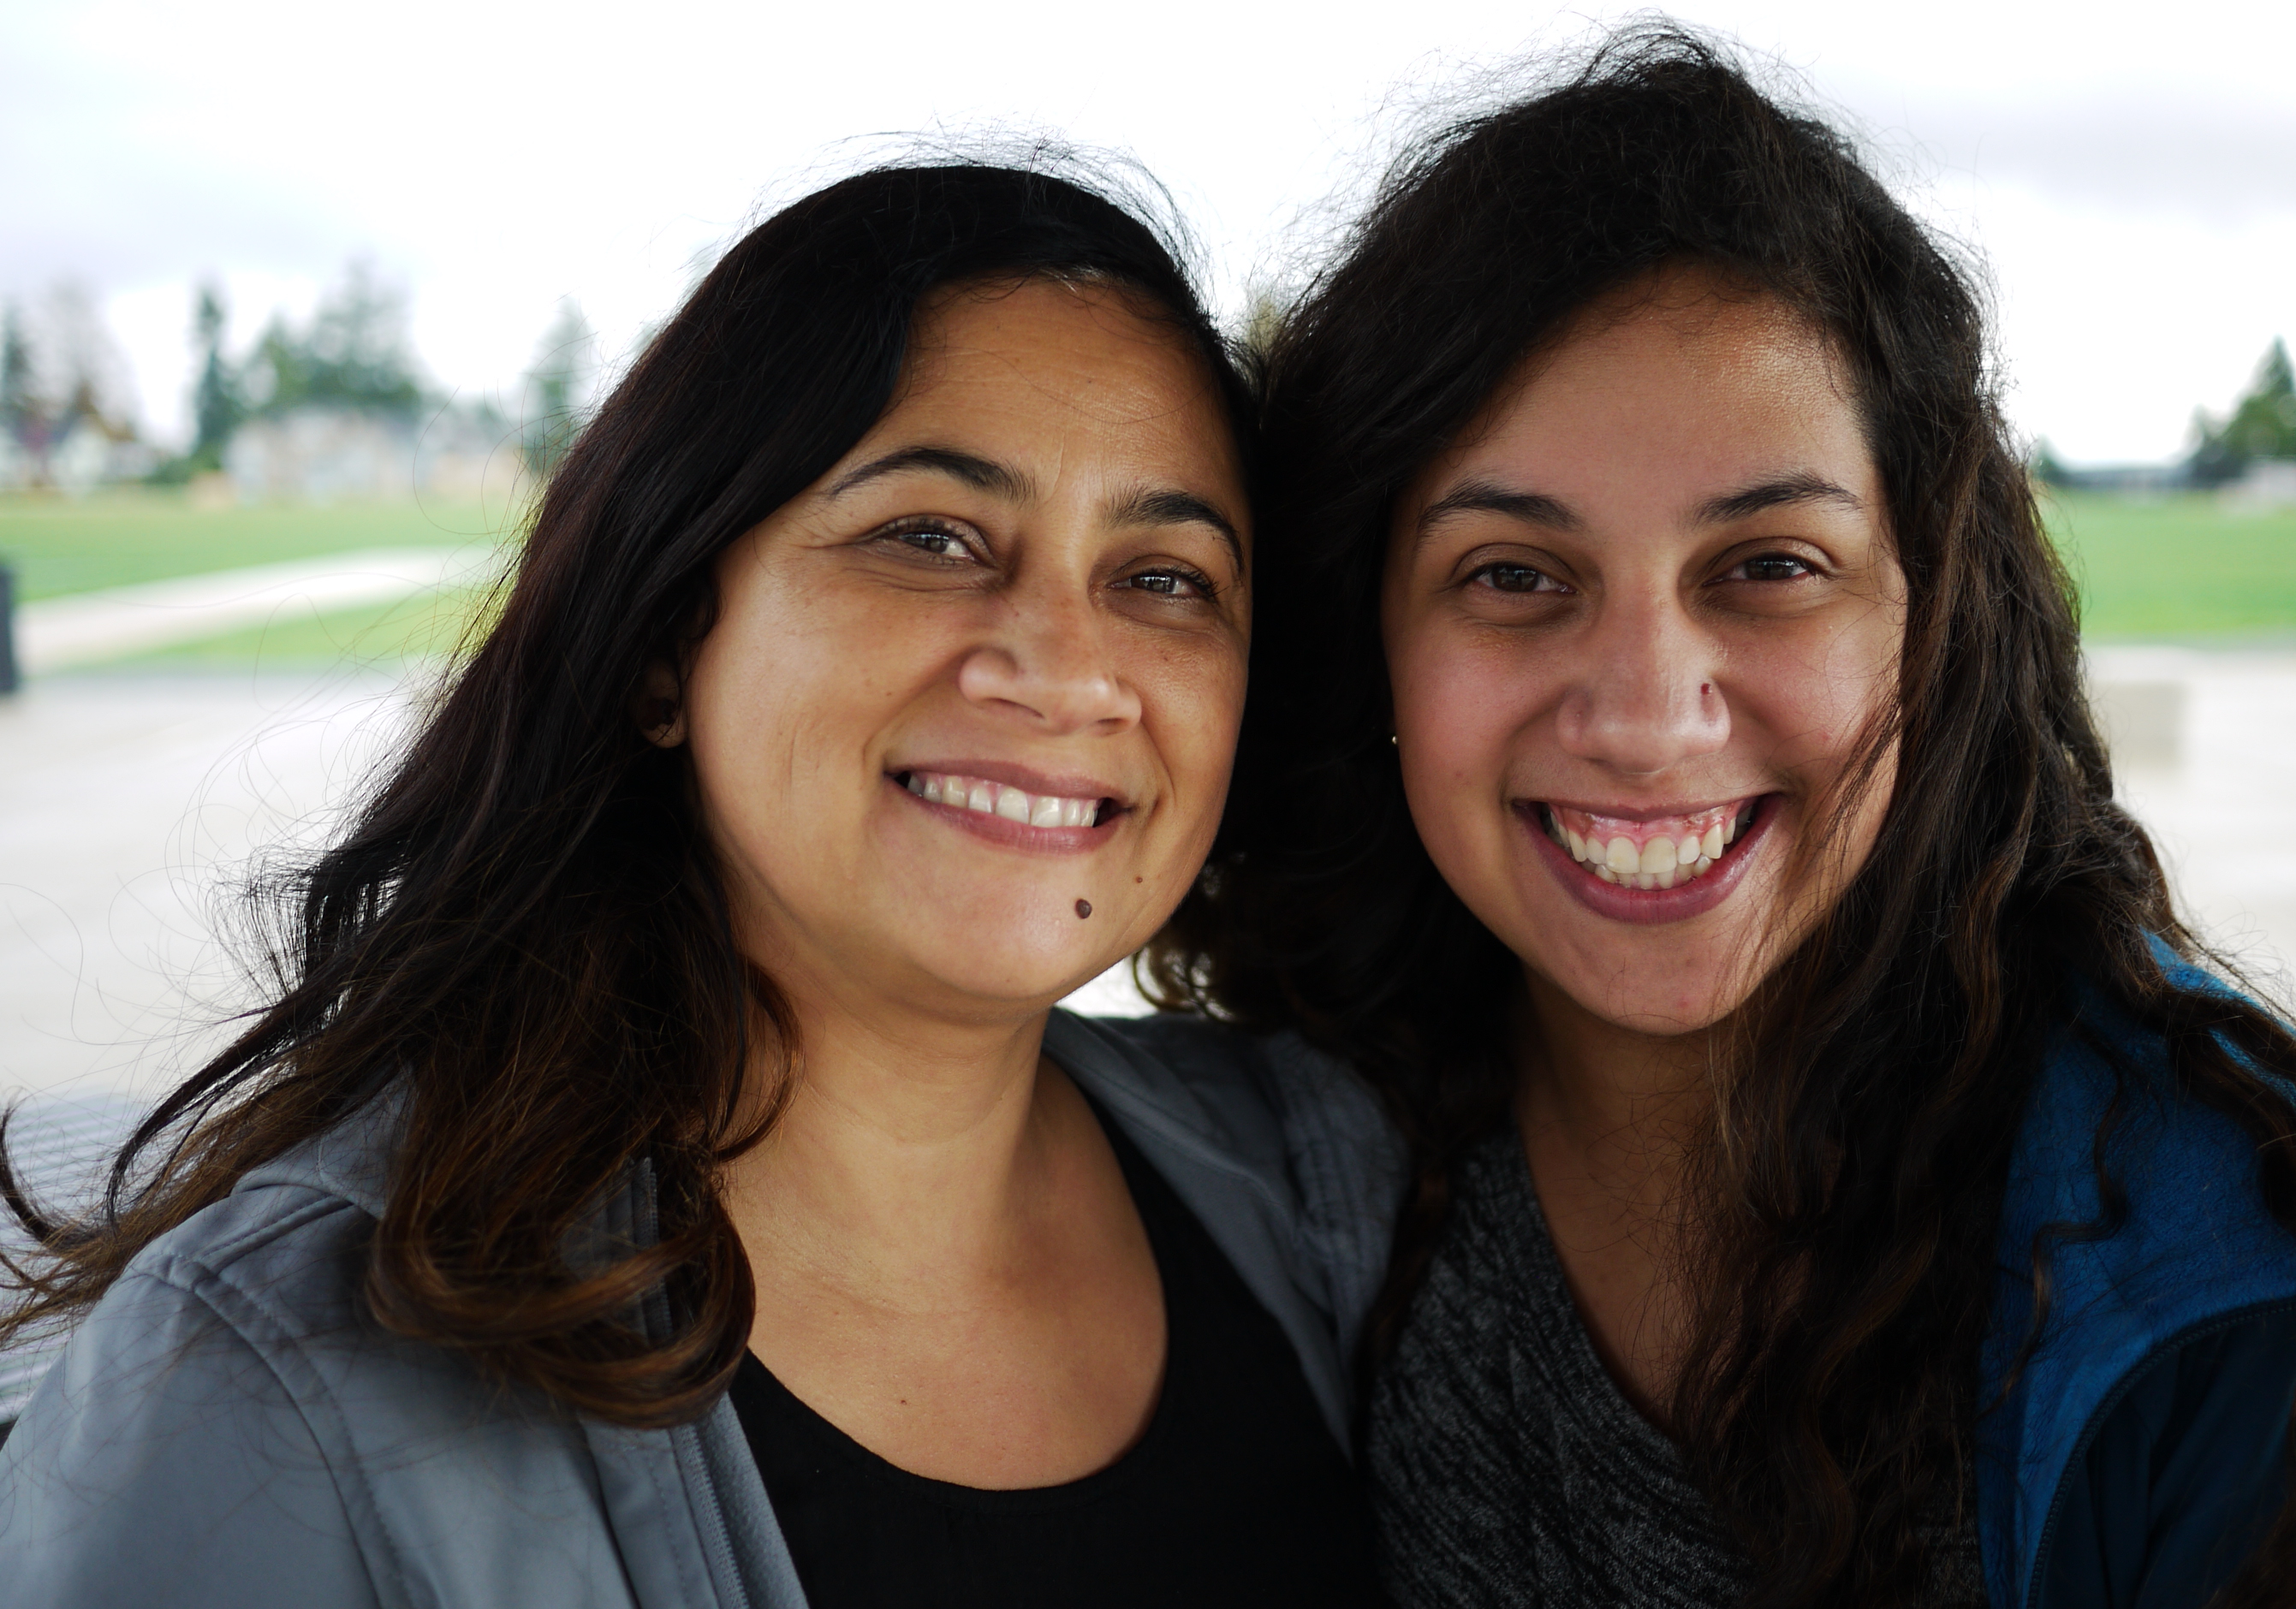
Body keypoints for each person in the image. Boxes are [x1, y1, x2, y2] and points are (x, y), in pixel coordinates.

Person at [0, 163, 1397, 1607]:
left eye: (1165, 576)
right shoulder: (271, 1379)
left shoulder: (1317, 1190)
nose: (1064, 667)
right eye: (930, 537)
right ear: (668, 641)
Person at [1145, 29, 2296, 1609]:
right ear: (1370, 640)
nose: (1649, 714)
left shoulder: (2278, 1291)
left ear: (1932, 617)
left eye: (1767, 567)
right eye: (1515, 577)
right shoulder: (1285, 1146)